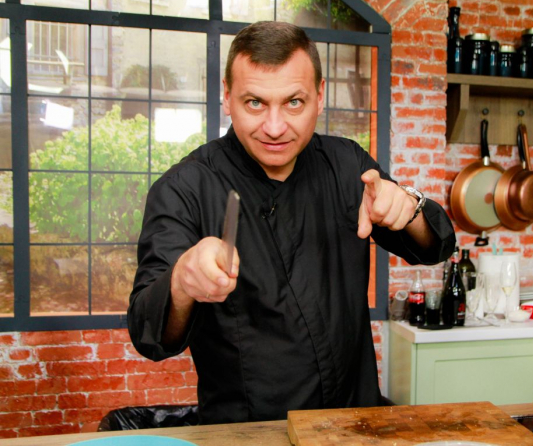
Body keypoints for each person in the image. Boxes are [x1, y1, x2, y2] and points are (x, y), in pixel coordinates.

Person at [128, 21, 456, 425]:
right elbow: (148, 334)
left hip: (353, 423)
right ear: (227, 97)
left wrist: (407, 207)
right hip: (249, 433)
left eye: (294, 103)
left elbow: (436, 245)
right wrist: (181, 282)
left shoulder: (346, 165)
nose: (274, 127)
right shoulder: (185, 188)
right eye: (255, 103)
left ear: (319, 96)